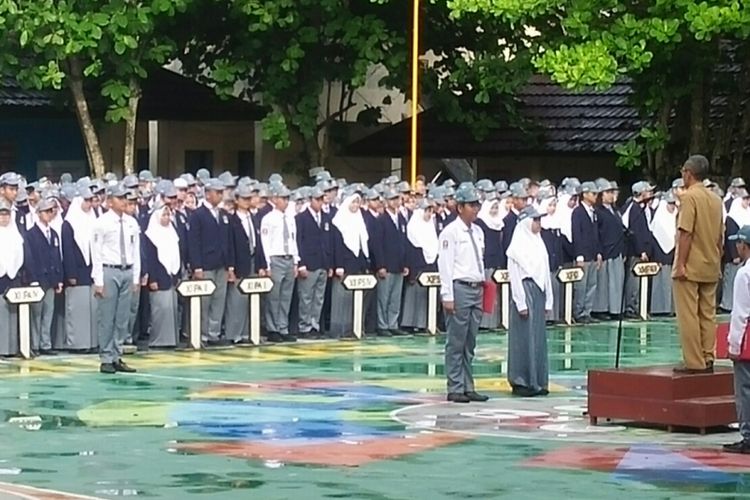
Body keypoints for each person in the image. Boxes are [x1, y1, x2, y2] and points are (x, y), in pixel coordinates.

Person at [437, 184, 488, 404]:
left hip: (476, 287)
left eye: (478, 205)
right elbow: (446, 265)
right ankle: (455, 386)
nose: (476, 209)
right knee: (456, 340)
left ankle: (468, 385)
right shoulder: (451, 232)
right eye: (471, 205)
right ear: (460, 207)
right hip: (460, 288)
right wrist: (447, 294)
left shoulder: (478, 231)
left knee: (470, 341)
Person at [673, 155, 724, 374]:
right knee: (707, 313)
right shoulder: (716, 199)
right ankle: (708, 355)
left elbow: (686, 233)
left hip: (691, 265)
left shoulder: (689, 197)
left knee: (688, 314)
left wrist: (681, 264)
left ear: (688, 173)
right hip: (711, 263)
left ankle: (694, 362)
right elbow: (721, 235)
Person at [91, 185, 140, 374]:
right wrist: (98, 280)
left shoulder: (131, 223)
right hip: (109, 270)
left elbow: (135, 251)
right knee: (107, 317)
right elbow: (96, 252)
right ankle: (106, 357)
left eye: (124, 198)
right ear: (110, 201)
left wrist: (135, 276)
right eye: (119, 198)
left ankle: (117, 354)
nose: (124, 201)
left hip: (127, 270)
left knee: (122, 317)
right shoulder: (101, 223)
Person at [507, 206, 553, 397]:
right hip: (525, 290)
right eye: (535, 220)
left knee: (538, 338)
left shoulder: (539, 243)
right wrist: (520, 302)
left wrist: (549, 299)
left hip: (539, 291)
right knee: (523, 337)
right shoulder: (517, 246)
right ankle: (521, 380)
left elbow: (545, 272)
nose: (538, 224)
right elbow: (515, 275)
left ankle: (538, 380)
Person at [187, 179, 235, 346]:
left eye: (222, 192)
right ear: (208, 194)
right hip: (205, 264)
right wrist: (197, 266)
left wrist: (230, 266)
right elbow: (193, 242)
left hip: (221, 263)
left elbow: (228, 241)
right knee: (204, 301)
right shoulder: (198, 215)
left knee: (218, 299)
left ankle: (213, 333)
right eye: (218, 192)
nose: (221, 195)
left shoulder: (223, 214)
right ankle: (202, 334)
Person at [259, 183, 299, 342]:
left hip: (288, 257)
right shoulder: (268, 218)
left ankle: (283, 327)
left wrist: (296, 260)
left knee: (286, 296)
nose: (286, 201)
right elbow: (265, 242)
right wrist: (267, 264)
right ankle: (272, 328)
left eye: (287, 198)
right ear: (275, 199)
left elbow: (293, 239)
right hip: (275, 258)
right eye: (283, 198)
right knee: (273, 296)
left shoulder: (290, 218)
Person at [723, 225, 750, 454]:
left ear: (744, 245)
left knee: (744, 388)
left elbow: (740, 313)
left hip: (748, 340)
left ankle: (748, 435)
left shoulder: (744, 274)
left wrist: (733, 344)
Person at [225, 184, 263, 344]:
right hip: (240, 263)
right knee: (236, 300)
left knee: (251, 298)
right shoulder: (232, 220)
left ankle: (248, 332)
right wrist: (231, 267)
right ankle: (233, 334)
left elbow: (258, 242)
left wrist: (262, 265)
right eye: (244, 198)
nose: (247, 201)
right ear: (237, 200)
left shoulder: (253, 218)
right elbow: (230, 245)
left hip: (253, 260)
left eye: (249, 198)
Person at [25, 198, 64, 356]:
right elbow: (30, 258)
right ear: (38, 213)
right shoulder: (31, 234)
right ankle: (35, 344)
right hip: (38, 279)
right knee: (36, 314)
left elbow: (57, 257)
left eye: (52, 211)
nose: (50, 214)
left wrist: (59, 279)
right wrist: (33, 278)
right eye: (47, 211)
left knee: (49, 313)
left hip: (51, 280)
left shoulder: (53, 233)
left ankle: (45, 344)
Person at [61, 188, 98, 352]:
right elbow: (67, 251)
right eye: (87, 200)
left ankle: (92, 342)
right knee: (77, 309)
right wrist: (71, 274)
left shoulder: (93, 219)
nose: (90, 204)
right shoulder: (69, 223)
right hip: (77, 271)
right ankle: (78, 344)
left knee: (93, 308)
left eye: (91, 201)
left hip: (91, 271)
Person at [330, 193, 370, 338]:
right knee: (342, 298)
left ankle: (355, 328)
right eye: (353, 202)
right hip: (344, 264)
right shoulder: (339, 221)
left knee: (356, 298)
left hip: (357, 263)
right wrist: (339, 265)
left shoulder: (359, 219)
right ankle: (340, 329)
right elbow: (337, 246)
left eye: (357, 203)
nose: (355, 206)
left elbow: (362, 243)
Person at [295, 186, 332, 338]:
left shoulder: (326, 217)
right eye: (317, 199)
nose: (320, 203)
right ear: (310, 200)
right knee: (306, 296)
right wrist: (301, 263)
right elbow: (299, 242)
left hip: (322, 262)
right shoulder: (301, 218)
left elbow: (328, 242)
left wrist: (329, 264)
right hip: (309, 263)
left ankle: (314, 325)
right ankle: (304, 327)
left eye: (321, 199)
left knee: (319, 297)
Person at [372, 188, 409, 337]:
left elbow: (405, 243)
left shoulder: (402, 219)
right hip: (386, 264)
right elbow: (377, 244)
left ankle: (393, 323)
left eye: (397, 199)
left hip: (399, 264)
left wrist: (406, 263)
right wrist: (380, 265)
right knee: (384, 296)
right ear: (387, 201)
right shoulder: (380, 220)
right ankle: (382, 325)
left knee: (395, 297)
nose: (395, 202)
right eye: (392, 199)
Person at [143, 204, 181, 348]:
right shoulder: (151, 235)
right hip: (158, 277)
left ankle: (171, 340)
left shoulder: (172, 232)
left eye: (168, 215)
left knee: (171, 308)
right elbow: (150, 259)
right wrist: (152, 279)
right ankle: (158, 340)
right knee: (161, 309)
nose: (166, 218)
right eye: (163, 215)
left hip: (171, 276)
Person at [401, 199, 439, 332]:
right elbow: (410, 248)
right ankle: (409, 323)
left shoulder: (430, 227)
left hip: (429, 265)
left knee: (425, 296)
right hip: (416, 265)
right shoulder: (413, 226)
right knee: (414, 294)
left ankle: (423, 323)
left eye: (431, 211)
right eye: (426, 211)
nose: (429, 214)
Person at [623, 181, 655, 319]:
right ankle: (631, 307)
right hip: (635, 252)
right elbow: (635, 232)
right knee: (633, 281)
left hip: (642, 251)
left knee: (639, 281)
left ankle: (637, 306)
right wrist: (641, 250)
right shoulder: (634, 208)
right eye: (648, 191)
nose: (650, 194)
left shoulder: (641, 208)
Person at [571, 182, 602, 324]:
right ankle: (579, 312)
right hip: (583, 254)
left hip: (593, 253)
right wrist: (579, 256)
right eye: (593, 193)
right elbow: (577, 235)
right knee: (581, 286)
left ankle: (587, 311)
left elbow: (596, 234)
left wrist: (598, 253)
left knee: (591, 284)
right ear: (585, 194)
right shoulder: (577, 212)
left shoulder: (593, 211)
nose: (596, 196)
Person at [594, 181, 625, 320]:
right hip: (606, 249)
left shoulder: (615, 210)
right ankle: (601, 309)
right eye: (608, 192)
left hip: (617, 248)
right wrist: (599, 251)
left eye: (612, 192)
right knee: (604, 282)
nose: (611, 195)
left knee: (617, 280)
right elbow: (597, 233)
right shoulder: (598, 212)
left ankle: (616, 308)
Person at [475, 194, 505, 329]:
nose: (494, 211)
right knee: (485, 293)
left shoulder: (499, 223)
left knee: (495, 293)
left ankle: (492, 322)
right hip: (485, 261)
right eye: (492, 208)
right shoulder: (480, 222)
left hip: (496, 261)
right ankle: (483, 323)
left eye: (496, 208)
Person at [0, 199, 25, 356]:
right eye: (1, 214)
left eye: (6, 214)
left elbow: (20, 255)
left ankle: (11, 348)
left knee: (12, 313)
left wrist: (13, 271)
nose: (4, 218)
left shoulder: (15, 233)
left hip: (12, 276)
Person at [650, 191, 679, 316]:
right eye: (670, 203)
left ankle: (671, 308)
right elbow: (655, 240)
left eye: (674, 204)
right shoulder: (659, 219)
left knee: (672, 284)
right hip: (661, 257)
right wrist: (657, 258)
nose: (672, 206)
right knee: (661, 283)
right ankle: (659, 309)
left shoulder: (676, 217)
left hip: (674, 256)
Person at [721, 190, 750, 312]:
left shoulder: (747, 214)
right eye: (744, 199)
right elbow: (730, 238)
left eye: (748, 199)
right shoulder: (732, 217)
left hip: (745, 255)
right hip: (734, 256)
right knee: (731, 280)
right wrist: (734, 254)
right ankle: (727, 305)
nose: (747, 202)